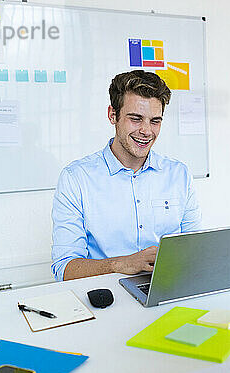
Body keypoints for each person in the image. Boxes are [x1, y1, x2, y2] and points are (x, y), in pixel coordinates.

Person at [51, 70, 202, 281]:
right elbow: (64, 269)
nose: (147, 131)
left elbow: (196, 250)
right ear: (113, 115)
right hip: (108, 300)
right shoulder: (76, 178)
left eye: (155, 121)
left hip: (169, 289)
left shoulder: (179, 174)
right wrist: (122, 264)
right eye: (136, 119)